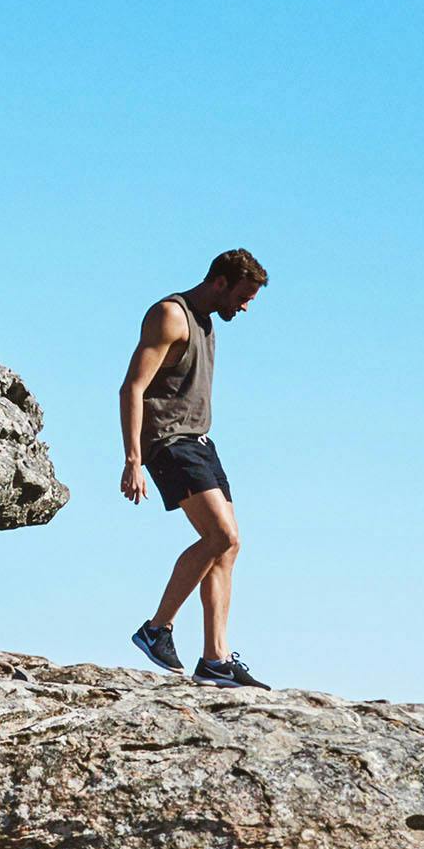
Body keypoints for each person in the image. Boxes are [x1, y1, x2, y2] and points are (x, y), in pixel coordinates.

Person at [120, 247, 267, 685]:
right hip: (168, 441)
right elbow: (132, 387)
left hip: (200, 441)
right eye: (242, 297)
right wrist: (133, 459)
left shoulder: (205, 321)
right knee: (220, 534)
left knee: (229, 546)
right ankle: (156, 628)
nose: (244, 307)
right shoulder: (171, 315)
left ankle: (215, 660)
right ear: (220, 282)